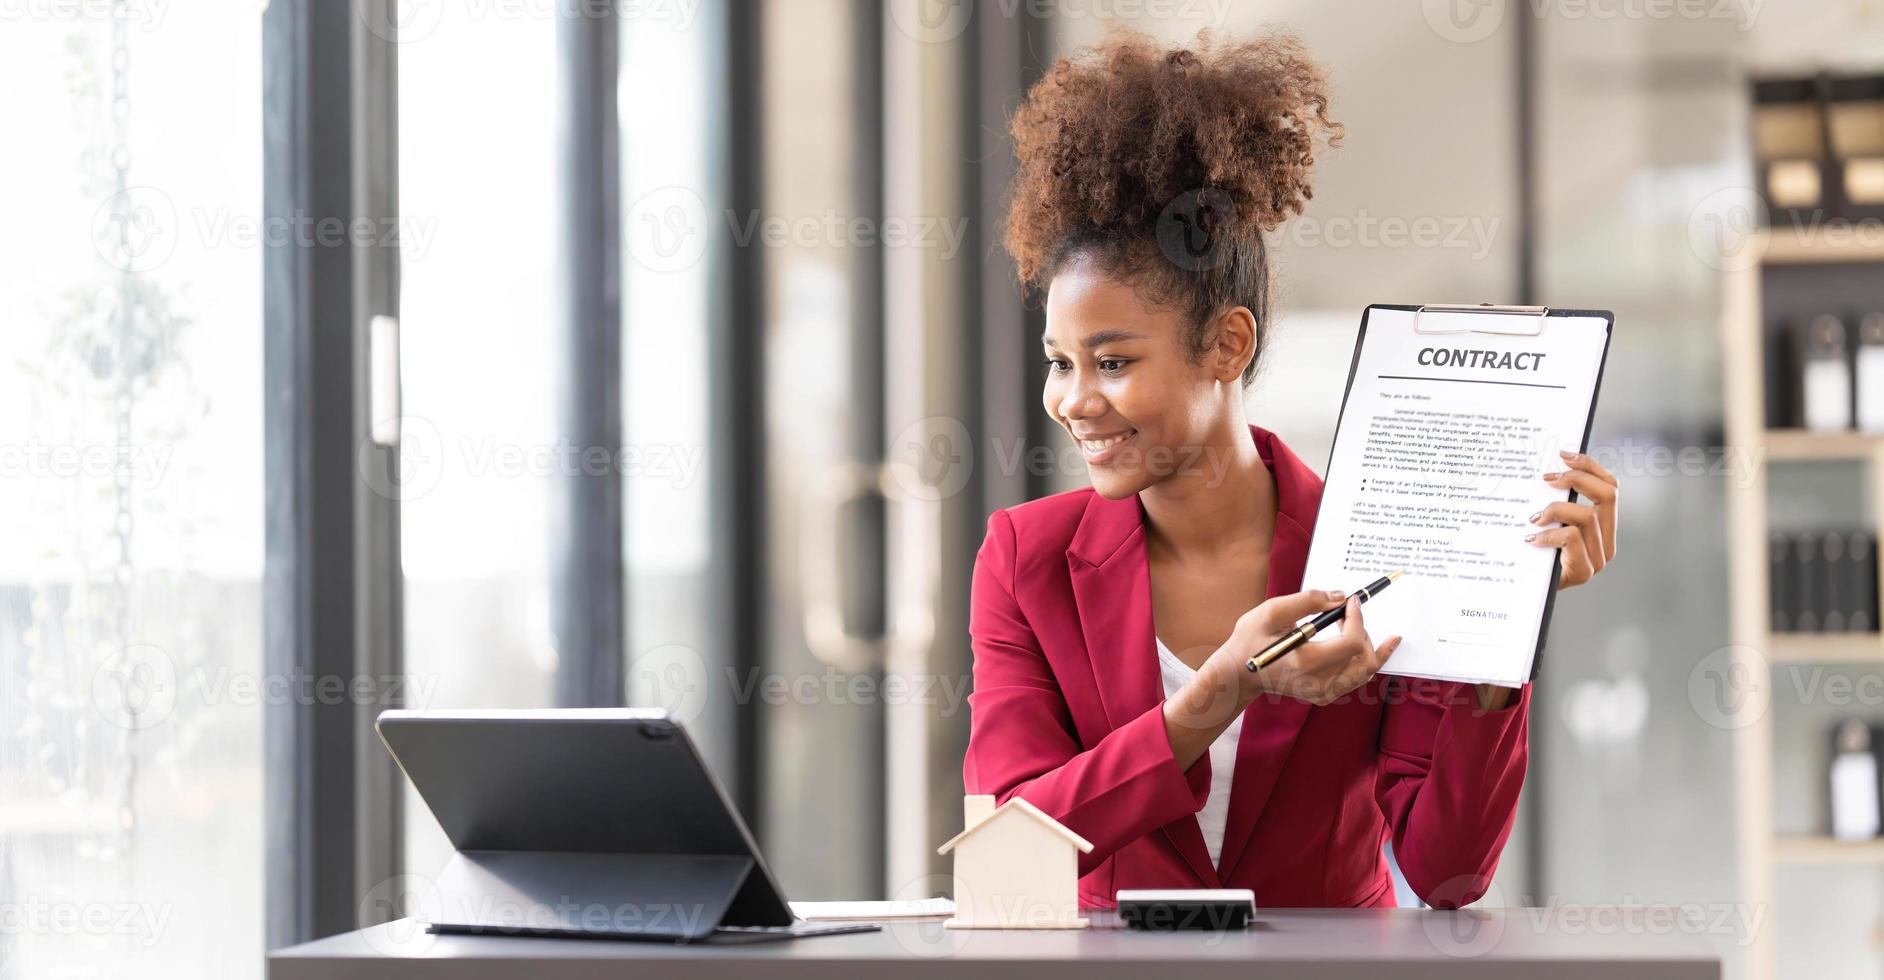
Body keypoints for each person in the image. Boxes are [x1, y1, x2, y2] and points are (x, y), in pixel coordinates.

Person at [962, 28, 1620, 911]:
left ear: (1226, 344)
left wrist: (1505, 621)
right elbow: (1008, 851)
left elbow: (1448, 873)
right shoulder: (1025, 559)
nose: (1073, 399)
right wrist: (1217, 693)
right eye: (1060, 361)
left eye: (1112, 362)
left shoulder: (1377, 548)